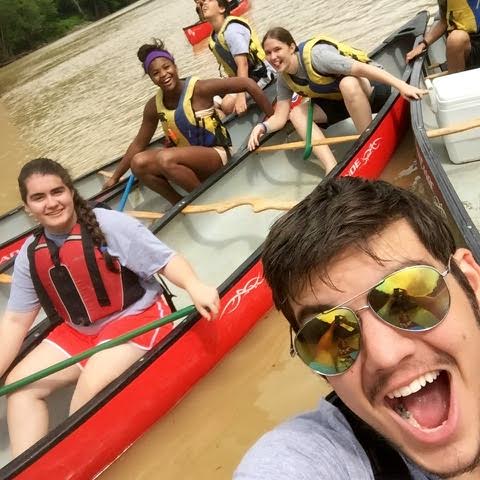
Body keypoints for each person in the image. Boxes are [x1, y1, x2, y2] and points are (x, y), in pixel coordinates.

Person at [235, 176, 480, 479]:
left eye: (409, 297)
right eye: (331, 335)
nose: (385, 355)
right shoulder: (306, 458)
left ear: (470, 281)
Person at [1, 158, 220, 457]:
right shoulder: (30, 253)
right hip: (80, 331)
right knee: (19, 387)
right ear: (28, 207)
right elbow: (15, 322)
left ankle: (76, 456)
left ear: (70, 192)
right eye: (39, 197)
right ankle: (29, 467)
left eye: (57, 192)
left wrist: (195, 286)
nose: (51, 203)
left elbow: (167, 260)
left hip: (138, 317)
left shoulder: (108, 225)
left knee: (91, 383)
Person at [103, 39, 273, 205]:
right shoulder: (153, 106)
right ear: (151, 78)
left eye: (166, 67)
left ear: (175, 67)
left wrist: (271, 120)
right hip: (185, 161)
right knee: (138, 163)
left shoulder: (200, 88)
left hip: (216, 155)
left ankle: (205, 202)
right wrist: (114, 178)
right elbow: (138, 144)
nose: (163, 75)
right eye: (155, 73)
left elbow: (247, 84)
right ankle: (179, 205)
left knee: (165, 158)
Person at [247, 28, 427, 174]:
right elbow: (280, 117)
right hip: (339, 102)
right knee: (296, 114)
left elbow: (361, 69)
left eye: (277, 50)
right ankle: (331, 167)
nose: (273, 57)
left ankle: (369, 142)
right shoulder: (283, 78)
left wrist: (402, 86)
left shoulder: (316, 56)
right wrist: (262, 127)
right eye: (268, 53)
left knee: (348, 83)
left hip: (371, 91)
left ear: (292, 47)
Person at [202, 0, 275, 116]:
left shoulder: (232, 30)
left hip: (261, 74)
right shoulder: (215, 36)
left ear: (222, 8)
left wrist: (241, 97)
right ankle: (225, 128)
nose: (204, 4)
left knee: (227, 105)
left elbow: (243, 64)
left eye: (210, 0)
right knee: (206, 102)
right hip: (240, 78)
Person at [406, 0, 480, 73]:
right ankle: (456, 79)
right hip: (468, 46)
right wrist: (423, 44)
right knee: (455, 39)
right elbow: (444, 22)